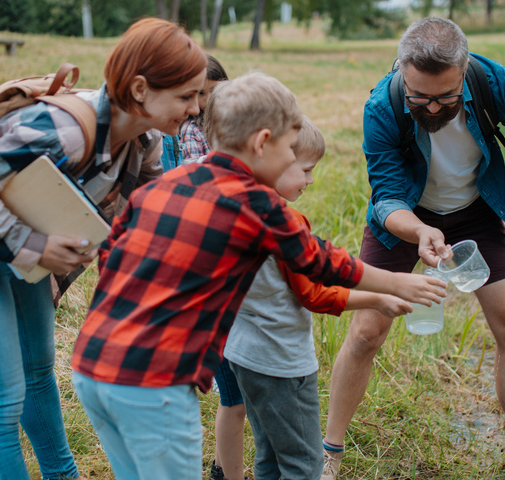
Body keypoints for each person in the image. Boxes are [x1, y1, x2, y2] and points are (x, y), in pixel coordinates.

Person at [70, 72, 446, 480]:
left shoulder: (169, 182)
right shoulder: (255, 201)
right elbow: (321, 261)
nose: (291, 159)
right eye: (288, 147)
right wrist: (396, 282)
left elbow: (110, 255)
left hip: (91, 367)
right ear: (262, 142)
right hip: (155, 382)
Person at [321, 17, 505, 480]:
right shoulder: (384, 104)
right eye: (420, 96)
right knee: (366, 333)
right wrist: (418, 232)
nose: (432, 107)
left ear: (464, 72)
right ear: (402, 70)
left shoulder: (491, 80)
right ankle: (329, 454)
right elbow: (386, 198)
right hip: (405, 218)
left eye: (444, 97)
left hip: (474, 210)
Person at [0, 18, 208, 480]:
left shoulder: (145, 142)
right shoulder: (65, 130)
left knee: (37, 373)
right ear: (140, 89)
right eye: (187, 96)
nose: (194, 110)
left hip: (29, 254)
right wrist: (37, 246)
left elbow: (147, 223)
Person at [223, 115, 410, 480]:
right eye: (305, 170)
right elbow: (314, 294)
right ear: (272, 158)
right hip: (280, 361)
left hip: (242, 353)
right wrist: (377, 298)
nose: (311, 180)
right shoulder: (283, 222)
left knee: (269, 454)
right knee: (303, 463)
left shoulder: (232, 207)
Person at [157, 54, 249, 480]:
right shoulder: (194, 138)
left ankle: (221, 468)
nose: (204, 109)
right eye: (198, 98)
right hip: (206, 286)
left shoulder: (230, 136)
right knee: (229, 395)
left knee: (233, 397)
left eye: (213, 97)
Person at [161, 54, 230, 171]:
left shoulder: (231, 119)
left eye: (214, 90)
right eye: (200, 93)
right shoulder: (192, 130)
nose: (209, 99)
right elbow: (195, 172)